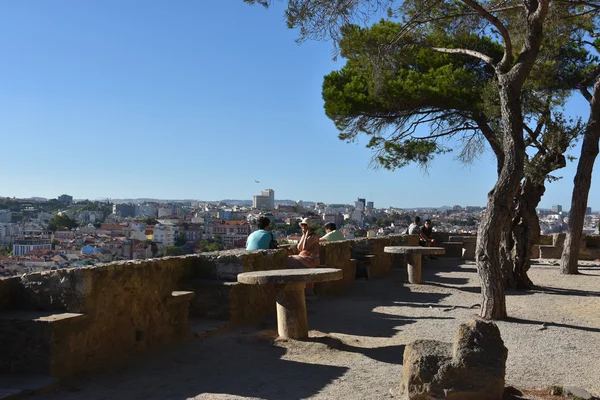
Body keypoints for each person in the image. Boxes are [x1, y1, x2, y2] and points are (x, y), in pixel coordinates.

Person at [287, 218, 320, 298]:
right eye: (302, 225)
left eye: (305, 225)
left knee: (291, 260)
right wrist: (304, 235)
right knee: (290, 260)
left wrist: (305, 236)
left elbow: (305, 247)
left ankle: (306, 291)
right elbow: (299, 248)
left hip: (311, 259)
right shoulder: (304, 235)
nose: (303, 227)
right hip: (304, 257)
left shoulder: (314, 236)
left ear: (309, 226)